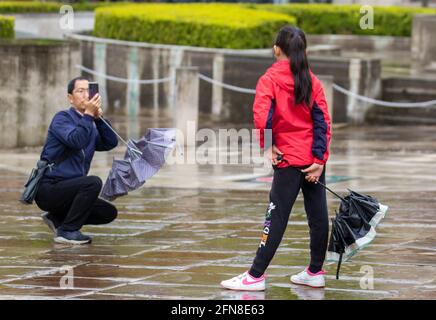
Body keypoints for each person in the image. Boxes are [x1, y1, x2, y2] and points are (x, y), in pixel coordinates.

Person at [220, 26, 331, 290]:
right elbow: (322, 121)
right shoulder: (312, 81)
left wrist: (268, 146)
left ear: (276, 49)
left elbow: (262, 115)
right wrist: (320, 159)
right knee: (318, 215)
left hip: (288, 158)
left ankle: (255, 276)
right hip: (312, 159)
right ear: (303, 51)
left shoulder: (269, 79)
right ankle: (316, 271)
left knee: (276, 215)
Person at [34, 77, 119, 245]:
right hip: (49, 188)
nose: (86, 95)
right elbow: (76, 140)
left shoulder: (90, 124)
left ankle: (57, 218)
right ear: (70, 98)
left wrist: (98, 118)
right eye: (80, 91)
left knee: (108, 212)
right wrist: (88, 115)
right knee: (93, 182)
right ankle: (67, 231)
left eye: (89, 90)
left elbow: (110, 142)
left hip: (71, 189)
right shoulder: (62, 119)